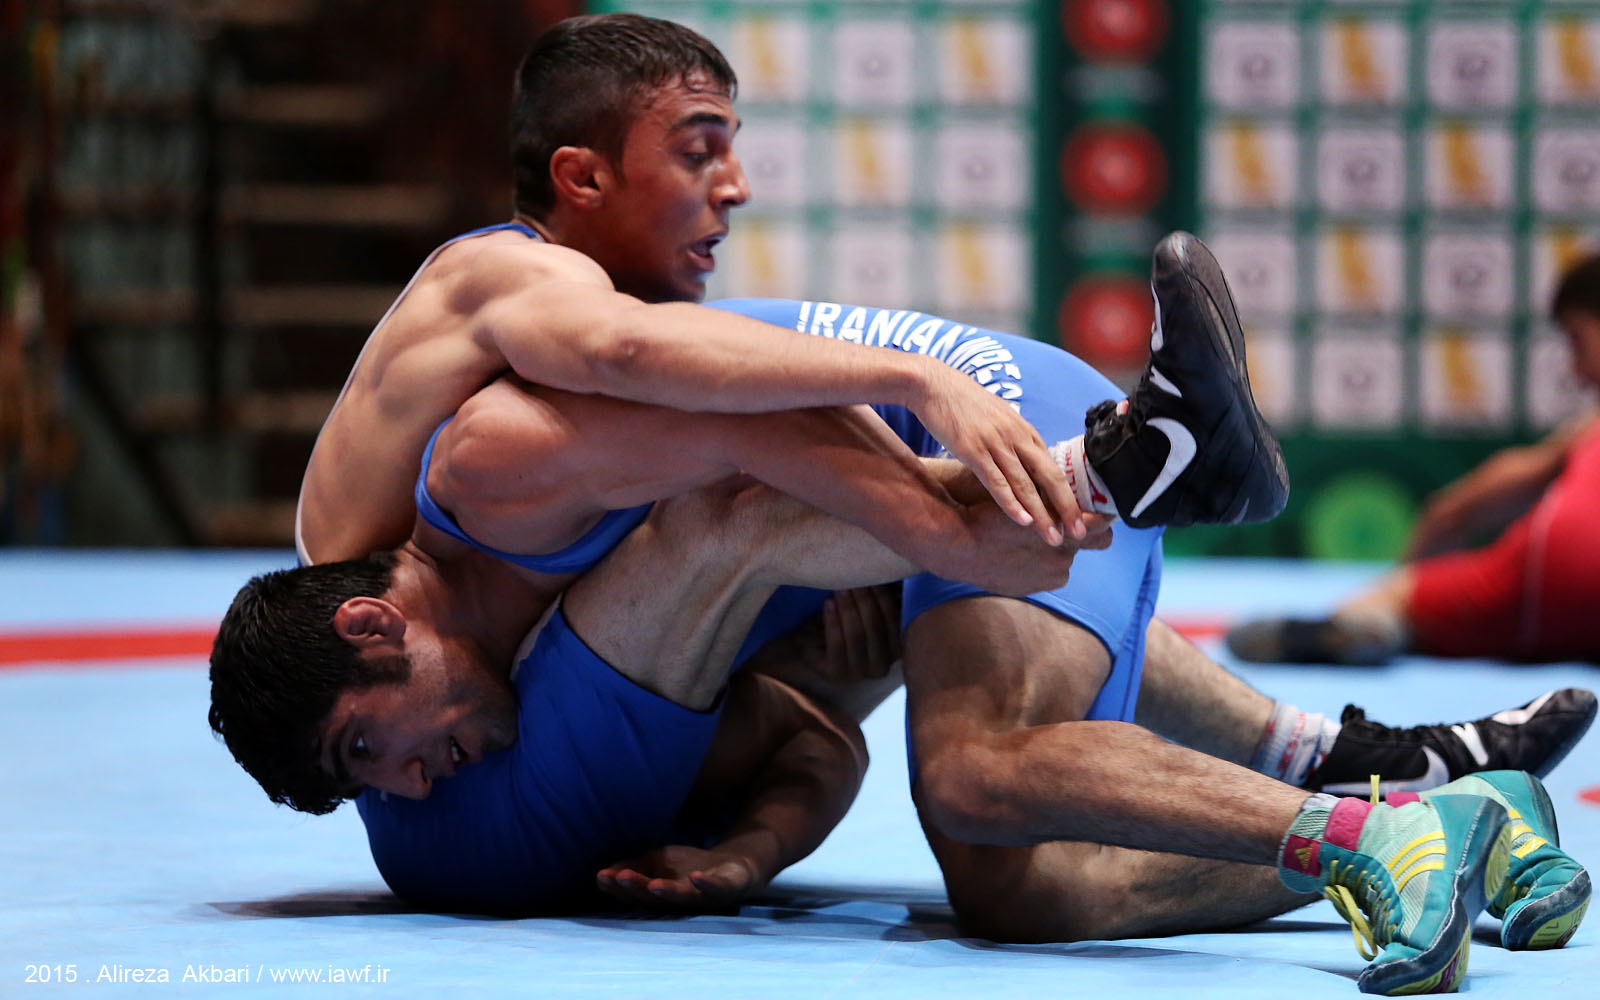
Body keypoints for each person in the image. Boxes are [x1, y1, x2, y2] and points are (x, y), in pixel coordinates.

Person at [1228, 253, 1600, 666]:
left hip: (1560, 572)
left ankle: (1374, 619)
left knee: (1393, 599)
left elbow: (1459, 511)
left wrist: (1409, 580)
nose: (1577, 371)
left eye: (1577, 340)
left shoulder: (1588, 428)